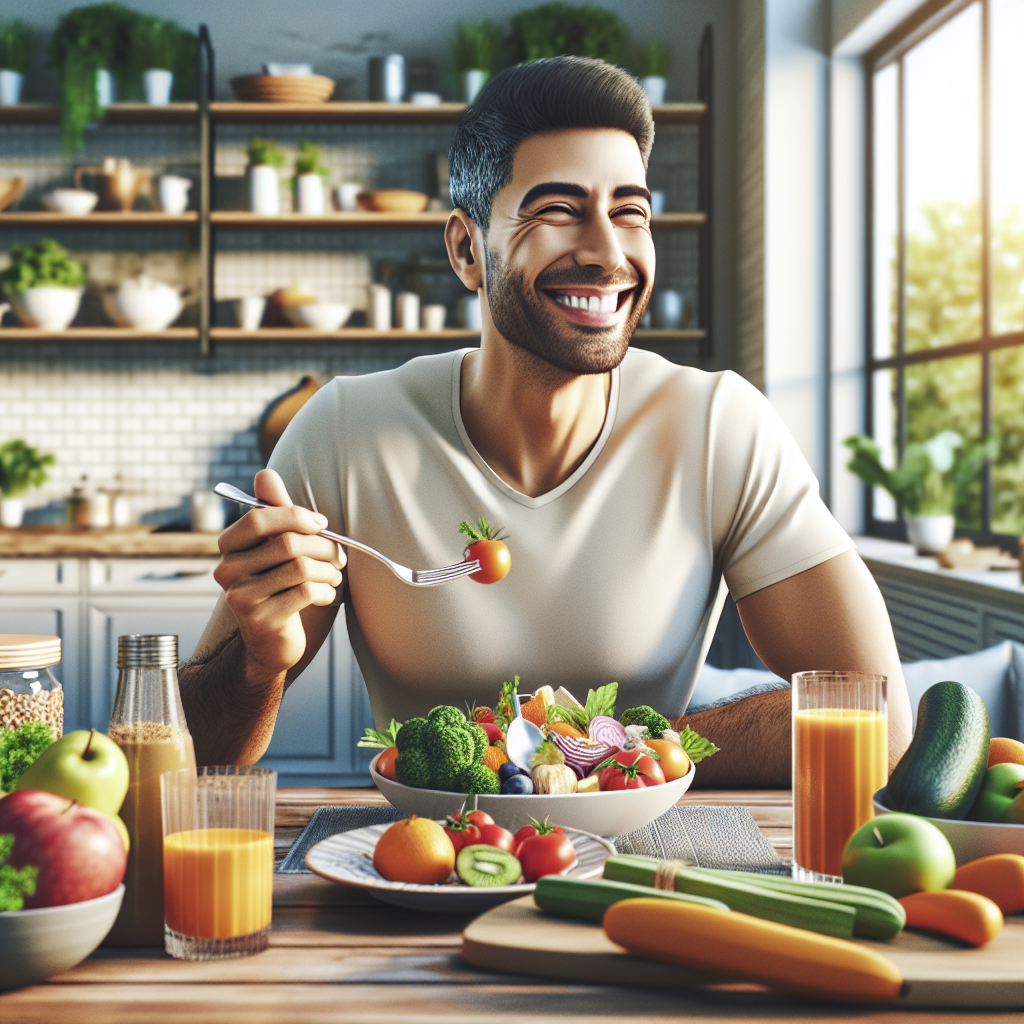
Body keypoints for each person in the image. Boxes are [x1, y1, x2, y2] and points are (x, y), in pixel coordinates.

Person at [180, 56, 910, 787]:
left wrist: (607, 758)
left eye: (630, 212)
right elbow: (194, 757)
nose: (607, 253)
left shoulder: (721, 426)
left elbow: (877, 719)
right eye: (559, 210)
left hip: (647, 851)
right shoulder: (343, 432)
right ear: (467, 250)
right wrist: (256, 663)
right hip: (424, 851)